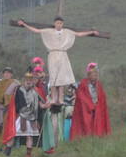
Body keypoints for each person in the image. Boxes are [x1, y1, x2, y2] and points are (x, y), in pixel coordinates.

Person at [16, 15, 105, 147]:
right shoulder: (49, 31)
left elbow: (79, 34)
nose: (59, 25)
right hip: (53, 54)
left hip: (63, 54)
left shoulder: (67, 32)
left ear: (63, 24)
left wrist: (91, 32)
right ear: (54, 23)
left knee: (62, 78)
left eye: (61, 23)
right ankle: (53, 97)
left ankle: (60, 97)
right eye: (57, 23)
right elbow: (36, 30)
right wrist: (24, 24)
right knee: (54, 78)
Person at [5, 72, 45, 157]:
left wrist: (47, 105)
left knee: (29, 136)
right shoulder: (19, 90)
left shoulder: (35, 91)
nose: (28, 82)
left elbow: (40, 104)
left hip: (32, 117)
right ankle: (7, 153)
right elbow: (18, 104)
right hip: (21, 116)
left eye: (30, 80)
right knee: (13, 134)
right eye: (27, 80)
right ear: (24, 81)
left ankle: (28, 155)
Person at [70, 62, 111, 139]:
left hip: (97, 108)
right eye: (93, 73)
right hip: (86, 110)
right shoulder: (83, 84)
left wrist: (98, 105)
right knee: (86, 124)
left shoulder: (99, 84)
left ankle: (98, 137)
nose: (95, 75)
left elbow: (102, 97)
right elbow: (81, 97)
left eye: (96, 73)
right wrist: (91, 105)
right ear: (88, 75)